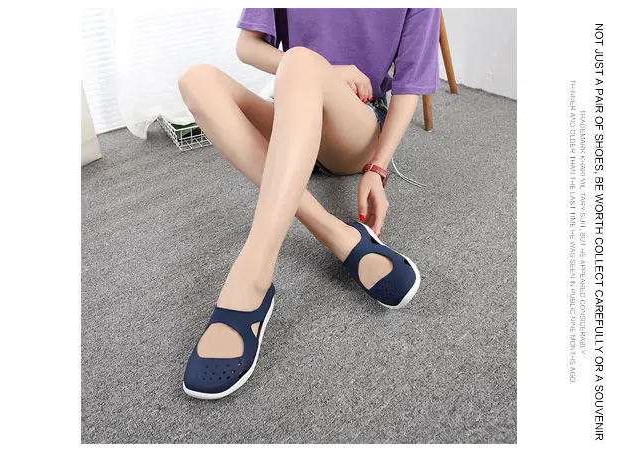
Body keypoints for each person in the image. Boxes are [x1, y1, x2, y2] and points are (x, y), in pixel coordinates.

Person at [178, 8, 440, 399]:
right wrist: (325, 69)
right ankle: (337, 234)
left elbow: (410, 84)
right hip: (293, 113)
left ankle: (252, 275)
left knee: (300, 60)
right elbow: (247, 47)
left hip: (353, 125)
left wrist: (377, 168)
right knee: (196, 80)